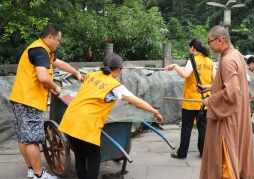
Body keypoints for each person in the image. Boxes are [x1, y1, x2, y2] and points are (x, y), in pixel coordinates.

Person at [58, 53, 164, 179]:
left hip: (70, 120)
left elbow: (94, 91)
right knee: (94, 157)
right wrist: (155, 111)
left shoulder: (91, 75)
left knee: (80, 156)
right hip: (86, 126)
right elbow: (136, 101)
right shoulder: (115, 86)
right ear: (119, 69)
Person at [9, 24, 82, 179]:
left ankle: (31, 169)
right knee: (32, 139)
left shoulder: (41, 50)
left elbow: (57, 62)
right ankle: (38, 174)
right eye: (58, 40)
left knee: (24, 137)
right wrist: (56, 88)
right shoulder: (40, 52)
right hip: (29, 102)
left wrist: (75, 71)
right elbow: (43, 77)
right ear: (50, 37)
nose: (58, 43)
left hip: (20, 99)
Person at [200, 25, 254, 179]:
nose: (208, 45)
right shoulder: (236, 54)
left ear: (221, 40)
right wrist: (211, 87)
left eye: (209, 41)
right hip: (238, 116)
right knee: (236, 154)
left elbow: (232, 93)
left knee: (224, 162)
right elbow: (232, 84)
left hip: (227, 121)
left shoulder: (227, 60)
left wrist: (210, 100)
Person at [165, 38, 214, 159]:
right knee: (203, 128)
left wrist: (175, 66)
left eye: (189, 47)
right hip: (205, 100)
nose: (189, 50)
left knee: (186, 127)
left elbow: (185, 74)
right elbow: (215, 80)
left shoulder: (192, 59)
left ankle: (182, 153)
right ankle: (204, 152)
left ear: (193, 48)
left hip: (191, 100)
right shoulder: (209, 61)